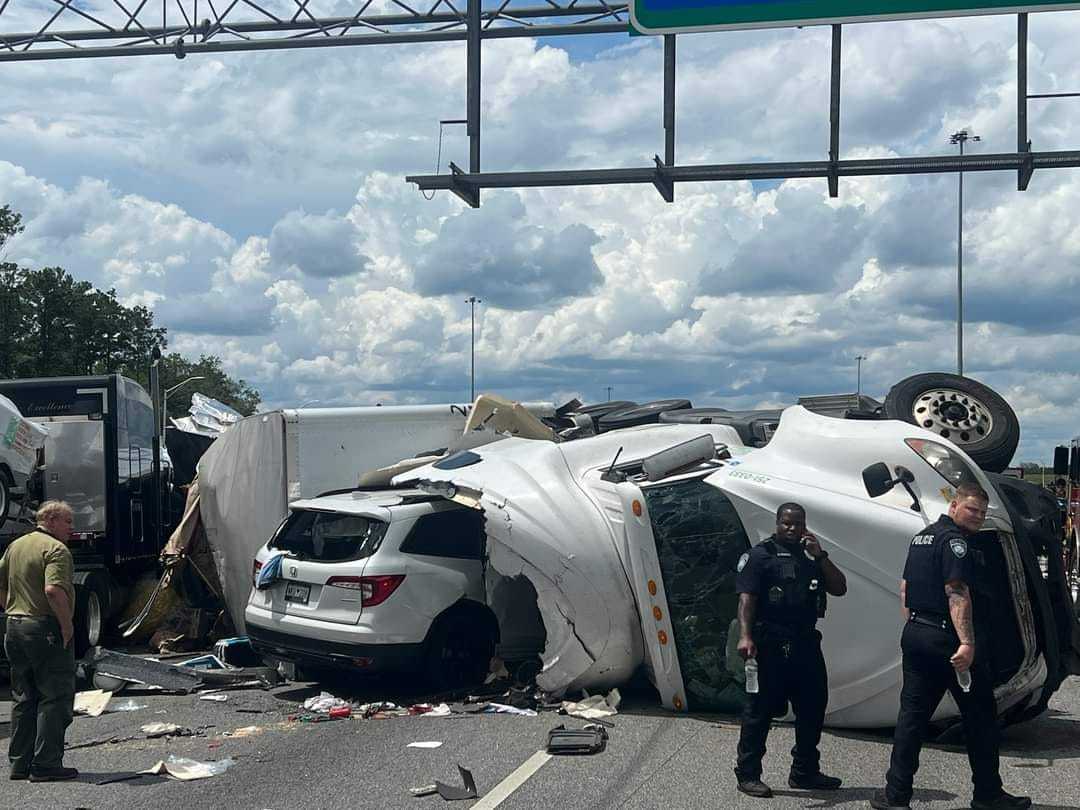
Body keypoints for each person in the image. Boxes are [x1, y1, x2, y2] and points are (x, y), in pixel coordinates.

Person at [870, 483, 1031, 810]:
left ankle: (895, 795)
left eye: (983, 513)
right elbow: (956, 592)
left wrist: (918, 626)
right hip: (949, 642)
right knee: (981, 717)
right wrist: (967, 642)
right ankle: (988, 794)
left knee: (912, 719)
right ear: (954, 505)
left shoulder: (922, 537)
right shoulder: (955, 542)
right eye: (973, 510)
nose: (978, 517)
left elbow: (905, 590)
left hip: (917, 634)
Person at [733, 502, 848, 798]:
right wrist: (745, 636)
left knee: (813, 707)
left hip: (806, 643)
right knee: (759, 712)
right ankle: (748, 774)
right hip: (770, 644)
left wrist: (820, 555)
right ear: (777, 523)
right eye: (786, 523)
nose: (792, 529)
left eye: (798, 524)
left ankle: (805, 771)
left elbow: (839, 587)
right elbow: (747, 600)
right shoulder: (760, 556)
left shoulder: (811, 557)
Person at [0, 500, 79, 782]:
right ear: (53, 519)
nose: (72, 528)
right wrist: (67, 625)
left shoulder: (16, 546)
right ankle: (46, 764)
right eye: (68, 522)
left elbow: (2, 586)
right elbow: (53, 590)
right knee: (55, 695)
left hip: (14, 625)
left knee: (24, 695)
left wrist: (13, 608)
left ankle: (19, 764)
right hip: (43, 627)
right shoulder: (56, 550)